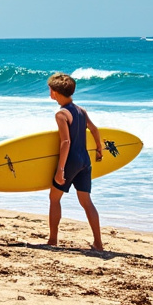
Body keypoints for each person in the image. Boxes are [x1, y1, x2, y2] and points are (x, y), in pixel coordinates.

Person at [47, 72, 104, 251]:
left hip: (71, 161)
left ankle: (53, 239)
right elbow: (94, 129)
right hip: (85, 161)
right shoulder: (81, 111)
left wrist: (60, 169)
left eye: (50, 90)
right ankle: (98, 243)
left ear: (55, 92)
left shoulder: (61, 114)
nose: (49, 92)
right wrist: (99, 149)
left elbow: (65, 142)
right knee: (86, 201)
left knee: (54, 198)